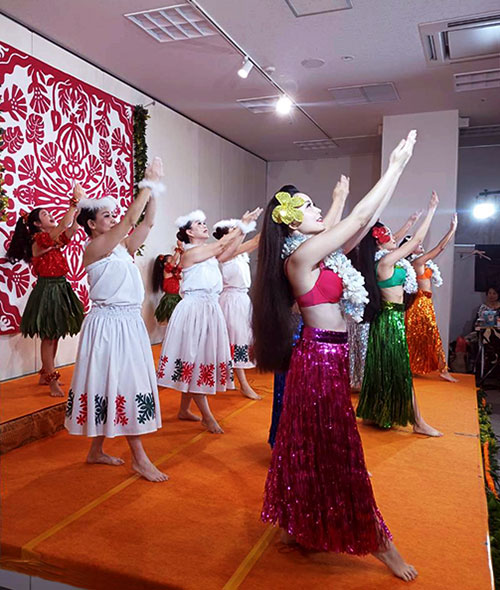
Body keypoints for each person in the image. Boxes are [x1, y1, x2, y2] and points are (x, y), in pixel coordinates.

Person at [253, 131, 419, 581]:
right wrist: (396, 165)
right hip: (319, 361)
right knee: (336, 450)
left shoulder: (319, 256)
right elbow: (359, 217)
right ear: (290, 223)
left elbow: (363, 223)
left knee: (311, 444)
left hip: (328, 358)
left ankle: (298, 521)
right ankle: (380, 543)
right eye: (308, 207)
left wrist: (382, 179)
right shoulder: (300, 259)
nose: (317, 212)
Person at [64, 157, 167, 483]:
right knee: (123, 384)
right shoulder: (95, 247)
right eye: (106, 215)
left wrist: (155, 188)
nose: (114, 218)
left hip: (128, 325)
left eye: (113, 214)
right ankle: (139, 458)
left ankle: (96, 451)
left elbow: (146, 223)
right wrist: (146, 182)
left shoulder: (122, 248)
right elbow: (130, 220)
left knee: (113, 383)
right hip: (108, 326)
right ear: (92, 225)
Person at [157, 206, 262, 434]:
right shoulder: (191, 254)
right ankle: (207, 416)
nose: (204, 226)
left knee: (196, 359)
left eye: (204, 223)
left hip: (208, 309)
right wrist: (242, 224)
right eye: (199, 224)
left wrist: (250, 228)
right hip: (194, 311)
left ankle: (184, 410)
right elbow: (222, 246)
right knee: (195, 359)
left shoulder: (209, 254)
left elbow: (234, 248)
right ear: (189, 232)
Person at [356, 192, 442, 436]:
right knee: (401, 371)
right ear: (379, 243)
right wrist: (432, 211)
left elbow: (395, 240)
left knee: (385, 368)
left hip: (391, 319)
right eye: (388, 236)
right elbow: (415, 242)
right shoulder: (384, 264)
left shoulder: (384, 259)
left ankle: (375, 413)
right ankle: (418, 422)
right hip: (390, 321)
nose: (393, 237)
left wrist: (410, 222)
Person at [6, 189, 84, 396]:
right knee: (49, 337)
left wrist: (78, 214)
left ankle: (44, 373)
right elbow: (63, 226)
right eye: (45, 214)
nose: (50, 215)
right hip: (48, 290)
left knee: (55, 335)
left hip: (60, 287)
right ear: (37, 224)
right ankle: (51, 381)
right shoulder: (39, 240)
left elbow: (70, 230)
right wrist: (73, 202)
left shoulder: (53, 239)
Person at [405, 214, 458, 381]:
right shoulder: (418, 262)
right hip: (420, 302)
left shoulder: (420, 262)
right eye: (416, 243)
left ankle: (413, 367)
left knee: (420, 335)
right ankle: (443, 370)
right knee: (431, 335)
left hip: (424, 301)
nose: (419, 244)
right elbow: (440, 247)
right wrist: (452, 230)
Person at [213, 219, 261, 400]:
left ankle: (231, 379)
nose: (238, 232)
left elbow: (257, 240)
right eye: (233, 230)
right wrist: (244, 226)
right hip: (230, 300)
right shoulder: (224, 253)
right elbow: (251, 241)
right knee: (236, 338)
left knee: (242, 337)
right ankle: (243, 384)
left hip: (242, 300)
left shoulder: (240, 253)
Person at [152, 243, 183, 323]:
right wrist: (179, 248)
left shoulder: (175, 272)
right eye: (171, 259)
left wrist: (182, 253)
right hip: (169, 299)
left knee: (178, 320)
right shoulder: (166, 272)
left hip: (177, 297)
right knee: (170, 320)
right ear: (165, 264)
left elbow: (181, 262)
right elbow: (174, 260)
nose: (174, 261)